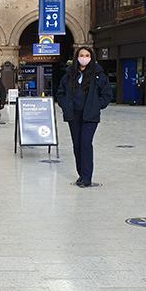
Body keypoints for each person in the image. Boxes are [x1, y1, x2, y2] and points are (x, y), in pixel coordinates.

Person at [55, 46, 112, 188]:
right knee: (77, 145)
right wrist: (65, 105)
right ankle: (81, 174)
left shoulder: (98, 75)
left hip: (90, 115)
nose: (84, 58)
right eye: (81, 55)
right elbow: (60, 92)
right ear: (77, 57)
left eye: (87, 55)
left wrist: (97, 105)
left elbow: (107, 94)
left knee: (86, 143)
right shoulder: (69, 75)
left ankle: (87, 177)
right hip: (74, 114)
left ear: (91, 57)